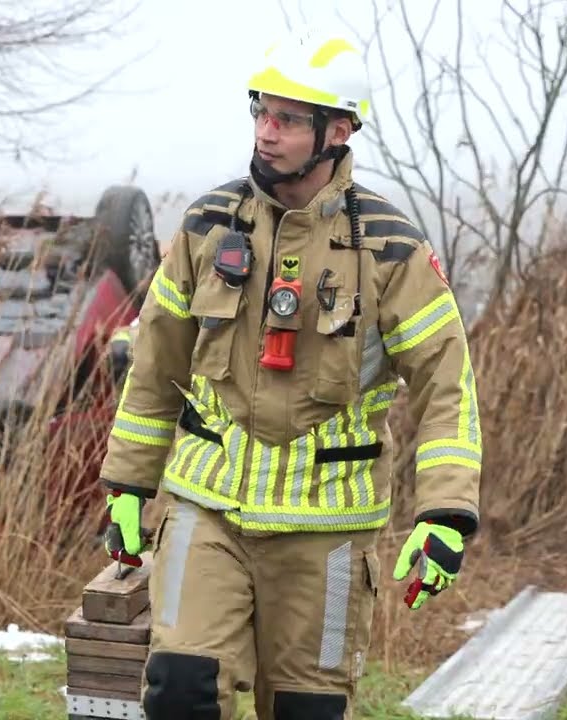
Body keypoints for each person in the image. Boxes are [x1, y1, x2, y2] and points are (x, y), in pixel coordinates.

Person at [98, 29, 483, 720]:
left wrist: (446, 514)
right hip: (204, 507)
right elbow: (155, 361)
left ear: (336, 131)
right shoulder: (208, 226)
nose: (265, 134)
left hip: (327, 528)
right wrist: (129, 484)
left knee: (307, 711)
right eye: (259, 114)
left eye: (285, 120)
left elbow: (446, 388)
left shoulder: (391, 249)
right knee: (180, 690)